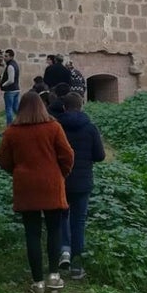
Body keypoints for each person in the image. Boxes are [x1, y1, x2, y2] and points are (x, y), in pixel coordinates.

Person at [0, 92, 75, 293]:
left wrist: (18, 172)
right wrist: (61, 173)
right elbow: (67, 155)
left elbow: (4, 160)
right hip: (51, 182)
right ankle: (53, 275)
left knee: (32, 233)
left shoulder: (13, 132)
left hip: (26, 185)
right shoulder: (53, 127)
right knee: (54, 230)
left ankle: (38, 282)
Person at [55, 93, 105, 280]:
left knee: (62, 217)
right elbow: (99, 155)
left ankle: (64, 250)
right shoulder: (90, 128)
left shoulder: (57, 127)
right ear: (81, 105)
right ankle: (77, 264)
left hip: (62, 179)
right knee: (79, 220)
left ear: (64, 107)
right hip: (83, 181)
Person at [1, 49, 22, 125]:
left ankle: (9, 126)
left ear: (11, 57)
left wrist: (3, 84)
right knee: (15, 108)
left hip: (10, 91)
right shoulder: (15, 64)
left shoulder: (10, 66)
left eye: (6, 56)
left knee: (9, 109)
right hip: (16, 89)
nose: (4, 58)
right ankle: (23, 121)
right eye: (4, 56)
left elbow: (11, 80)